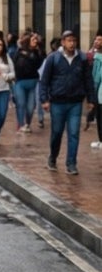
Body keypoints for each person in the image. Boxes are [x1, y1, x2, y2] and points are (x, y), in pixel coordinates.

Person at [39, 31, 94, 174]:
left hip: (75, 102)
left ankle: (71, 163)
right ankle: (53, 157)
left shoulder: (81, 58)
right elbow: (44, 81)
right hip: (57, 102)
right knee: (57, 132)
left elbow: (88, 80)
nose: (72, 43)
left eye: (74, 40)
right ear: (63, 42)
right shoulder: (53, 58)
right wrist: (44, 99)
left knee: (74, 133)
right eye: (69, 40)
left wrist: (91, 99)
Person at [12, 33, 42, 132]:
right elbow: (14, 66)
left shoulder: (37, 53)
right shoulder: (19, 52)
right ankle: (21, 124)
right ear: (28, 41)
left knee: (31, 106)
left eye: (36, 40)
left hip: (33, 82)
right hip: (20, 82)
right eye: (33, 40)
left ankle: (27, 123)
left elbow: (39, 64)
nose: (35, 41)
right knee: (21, 104)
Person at [91, 37, 102, 151]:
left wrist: (92, 93)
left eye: (99, 40)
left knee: (100, 118)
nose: (96, 42)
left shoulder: (98, 58)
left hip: (100, 94)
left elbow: (97, 77)